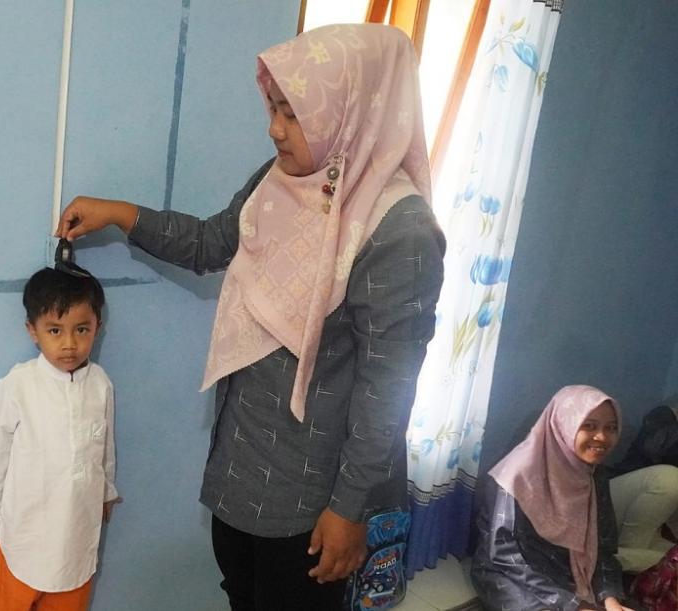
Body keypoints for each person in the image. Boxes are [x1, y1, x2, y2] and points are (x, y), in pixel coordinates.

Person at [56, 24, 444, 611]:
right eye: (274, 108)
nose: (275, 129)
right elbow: (212, 242)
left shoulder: (401, 231)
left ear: (350, 114)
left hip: (314, 498)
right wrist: (118, 213)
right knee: (241, 593)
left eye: (293, 114)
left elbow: (386, 388)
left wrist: (349, 509)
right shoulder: (280, 181)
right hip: (241, 462)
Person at [0, 267, 120, 611]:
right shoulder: (18, 385)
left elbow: (105, 446)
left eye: (82, 329)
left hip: (76, 536)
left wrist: (106, 491)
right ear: (32, 331)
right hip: (24, 534)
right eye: (55, 330)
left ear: (97, 327)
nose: (69, 344)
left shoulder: (100, 384)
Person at [471, 385, 634, 611]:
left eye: (611, 428)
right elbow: (503, 555)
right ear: (564, 424)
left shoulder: (594, 475)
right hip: (513, 576)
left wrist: (610, 599)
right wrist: (575, 605)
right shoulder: (517, 476)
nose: (602, 437)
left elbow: (603, 548)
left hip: (567, 570)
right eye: (589, 425)